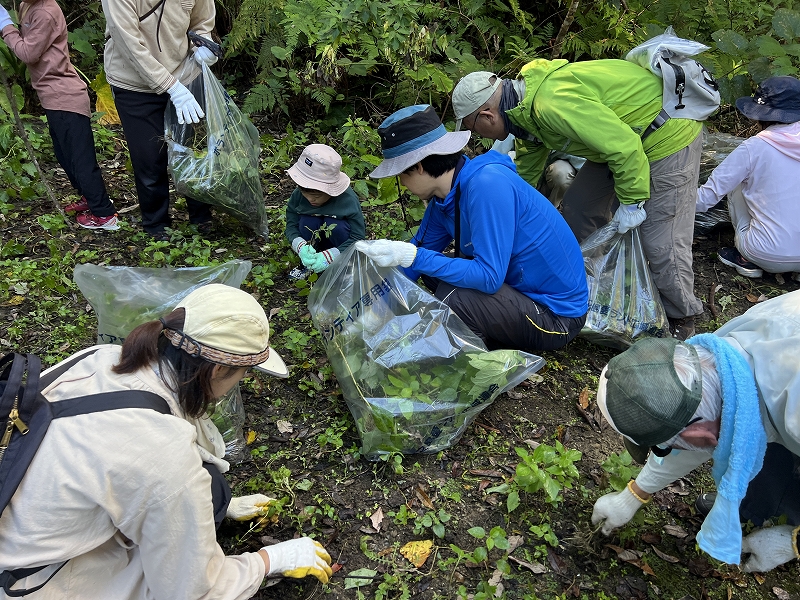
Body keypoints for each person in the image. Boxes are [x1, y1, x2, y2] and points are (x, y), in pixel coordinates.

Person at [0, 284, 333, 597]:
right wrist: (268, 561)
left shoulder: (102, 357)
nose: (242, 381)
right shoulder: (161, 452)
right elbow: (192, 591)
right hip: (28, 579)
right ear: (217, 371)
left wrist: (211, 505)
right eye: (244, 372)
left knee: (211, 488)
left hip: (19, 515)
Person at [452, 62, 705, 340]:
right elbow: (526, 172)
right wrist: (506, 215)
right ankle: (576, 286)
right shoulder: (523, 115)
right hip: (619, 142)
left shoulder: (550, 103)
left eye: (471, 127)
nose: (476, 135)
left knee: (661, 240)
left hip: (665, 134)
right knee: (578, 211)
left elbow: (624, 147)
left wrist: (632, 202)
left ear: (487, 116)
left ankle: (682, 315)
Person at [590, 290, 800, 572]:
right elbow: (692, 429)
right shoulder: (724, 357)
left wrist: (792, 541)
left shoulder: (794, 414)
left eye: (664, 445)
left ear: (702, 436)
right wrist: (632, 495)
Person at [357, 104, 588, 353]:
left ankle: (467, 354)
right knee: (429, 269)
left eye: (401, 175)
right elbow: (414, 257)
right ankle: (479, 331)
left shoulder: (486, 185)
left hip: (555, 316)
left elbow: (489, 278)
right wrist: (371, 311)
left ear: (420, 167)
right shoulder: (443, 198)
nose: (402, 183)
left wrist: (416, 257)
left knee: (454, 296)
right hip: (516, 292)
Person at [101, 0, 219, 239]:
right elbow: (128, 43)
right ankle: (156, 225)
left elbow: (202, 21)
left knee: (192, 148)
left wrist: (202, 48)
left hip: (186, 72)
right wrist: (171, 88)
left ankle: (201, 216)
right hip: (134, 82)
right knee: (149, 157)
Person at [0, 0, 118, 230]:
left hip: (65, 97)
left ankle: (104, 214)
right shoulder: (28, 5)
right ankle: (89, 198)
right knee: (65, 156)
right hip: (53, 96)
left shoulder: (45, 11)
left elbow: (27, 52)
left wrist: (5, 25)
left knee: (80, 159)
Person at [696, 76, 800, 281]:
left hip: (766, 253)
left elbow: (708, 196)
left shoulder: (755, 148)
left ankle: (745, 258)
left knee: (736, 185)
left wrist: (666, 209)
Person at [285, 144, 366, 280]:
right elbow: (291, 226)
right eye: (306, 194)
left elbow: (358, 236)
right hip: (312, 243)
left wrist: (332, 255)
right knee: (307, 221)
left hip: (340, 244)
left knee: (337, 225)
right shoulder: (298, 196)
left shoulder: (348, 200)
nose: (311, 199)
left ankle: (345, 265)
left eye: (317, 196)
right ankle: (308, 263)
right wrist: (301, 246)